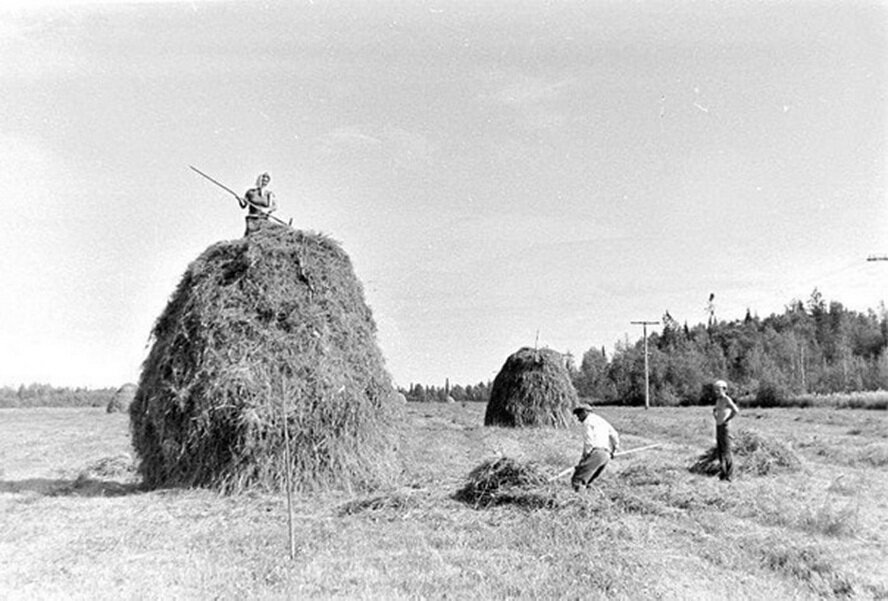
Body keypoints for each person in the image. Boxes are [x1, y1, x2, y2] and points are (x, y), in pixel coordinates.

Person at [571, 404, 620, 492]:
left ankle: (579, 501)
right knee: (588, 481)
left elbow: (589, 443)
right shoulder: (602, 421)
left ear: (585, 412)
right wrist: (614, 450)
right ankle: (590, 499)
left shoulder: (587, 422)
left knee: (577, 480)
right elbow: (615, 435)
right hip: (606, 455)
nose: (578, 418)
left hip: (596, 454)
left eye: (579, 415)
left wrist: (583, 460)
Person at [712, 379, 740, 481]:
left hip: (725, 427)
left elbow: (736, 410)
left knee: (727, 451)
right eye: (715, 390)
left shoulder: (726, 399)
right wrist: (715, 413)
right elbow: (716, 409)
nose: (716, 392)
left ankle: (730, 475)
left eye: (718, 389)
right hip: (718, 426)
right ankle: (723, 474)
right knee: (720, 450)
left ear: (724, 389)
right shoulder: (718, 400)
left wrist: (727, 419)